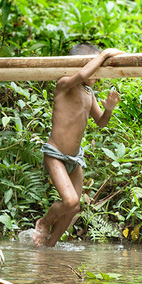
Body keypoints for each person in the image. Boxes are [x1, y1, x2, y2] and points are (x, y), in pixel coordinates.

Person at [32, 43, 123, 247]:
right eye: (96, 70)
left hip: (75, 158)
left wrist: (108, 109)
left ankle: (49, 247)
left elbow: (101, 122)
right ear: (84, 64)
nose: (98, 76)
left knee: (74, 208)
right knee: (70, 201)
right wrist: (104, 55)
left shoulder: (89, 93)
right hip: (55, 154)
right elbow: (81, 76)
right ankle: (44, 222)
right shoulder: (64, 84)